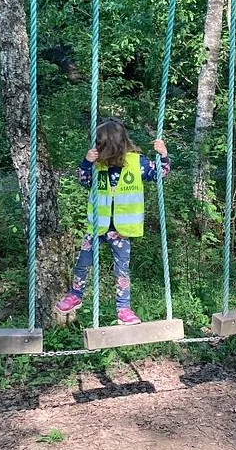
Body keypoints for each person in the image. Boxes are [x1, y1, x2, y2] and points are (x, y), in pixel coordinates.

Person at [55, 118, 170, 325]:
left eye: (100, 144)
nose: (97, 148)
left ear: (113, 146)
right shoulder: (97, 165)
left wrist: (163, 154)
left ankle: (123, 309)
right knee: (82, 263)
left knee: (121, 270)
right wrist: (86, 162)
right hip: (98, 227)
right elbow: (85, 181)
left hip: (121, 230)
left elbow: (159, 174)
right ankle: (75, 295)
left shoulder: (137, 162)